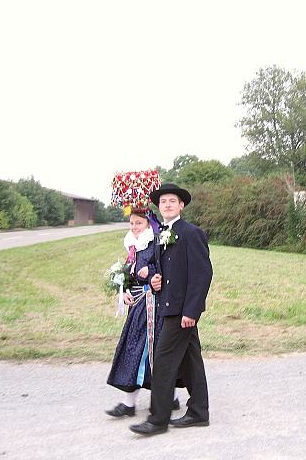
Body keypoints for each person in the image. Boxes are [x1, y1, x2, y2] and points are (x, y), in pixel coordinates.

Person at [129, 184, 213, 436]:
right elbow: (161, 270)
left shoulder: (191, 233)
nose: (166, 204)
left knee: (164, 362)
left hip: (182, 311)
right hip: (167, 305)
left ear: (181, 206)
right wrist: (155, 279)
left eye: (172, 201)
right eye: (163, 201)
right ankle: (199, 411)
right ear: (159, 206)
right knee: (191, 362)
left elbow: (203, 275)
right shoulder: (160, 235)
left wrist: (192, 312)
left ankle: (158, 420)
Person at [106, 209, 180, 417]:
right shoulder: (133, 247)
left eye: (138, 223)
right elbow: (130, 275)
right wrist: (124, 291)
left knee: (155, 351)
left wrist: (153, 273)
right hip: (137, 306)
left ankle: (166, 397)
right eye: (131, 224)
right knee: (137, 350)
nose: (134, 227)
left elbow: (168, 269)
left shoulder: (156, 242)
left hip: (154, 306)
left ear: (148, 224)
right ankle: (132, 402)